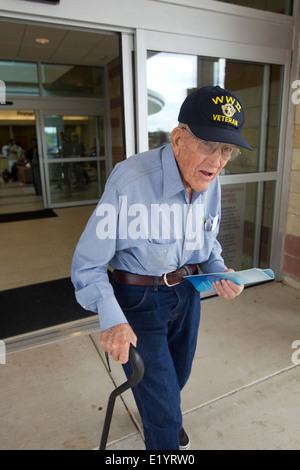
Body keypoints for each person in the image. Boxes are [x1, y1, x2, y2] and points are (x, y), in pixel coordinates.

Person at [71, 85, 253, 450]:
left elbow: (207, 244)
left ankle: (160, 410)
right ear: (178, 138)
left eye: (226, 150)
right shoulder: (129, 181)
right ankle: (164, 425)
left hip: (186, 295)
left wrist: (219, 269)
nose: (216, 161)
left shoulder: (210, 181)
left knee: (175, 377)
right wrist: (113, 319)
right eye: (207, 145)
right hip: (137, 300)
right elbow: (88, 266)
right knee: (165, 411)